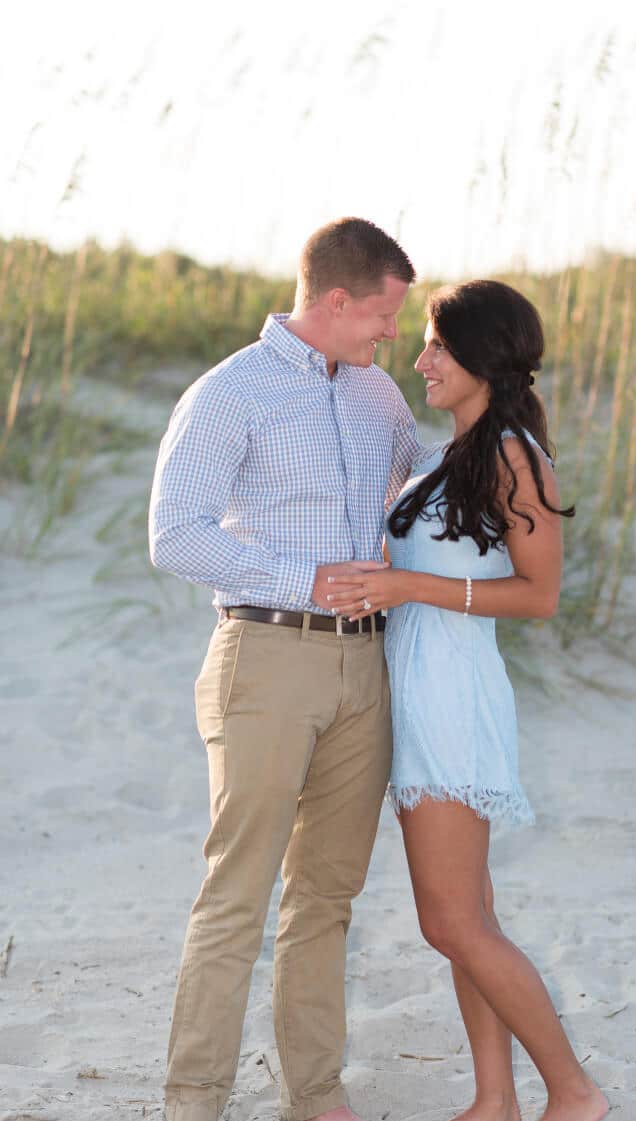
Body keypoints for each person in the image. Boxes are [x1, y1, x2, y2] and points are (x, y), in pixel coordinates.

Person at [148, 217, 419, 1121]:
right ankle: (195, 1100)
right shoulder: (233, 391)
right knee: (238, 892)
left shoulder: (381, 397)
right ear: (336, 300)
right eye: (384, 315)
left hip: (363, 673)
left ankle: (316, 1094)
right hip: (264, 657)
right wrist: (302, 579)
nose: (393, 334)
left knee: (327, 895)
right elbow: (174, 534)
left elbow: (419, 497)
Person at [323, 280, 608, 1121]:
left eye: (439, 346)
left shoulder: (515, 453)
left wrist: (405, 581)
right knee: (470, 915)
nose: (421, 360)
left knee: (450, 922)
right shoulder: (459, 451)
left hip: (453, 695)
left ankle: (575, 1091)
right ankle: (495, 1100)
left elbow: (539, 594)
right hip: (417, 687)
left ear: (484, 355)